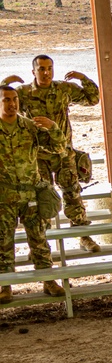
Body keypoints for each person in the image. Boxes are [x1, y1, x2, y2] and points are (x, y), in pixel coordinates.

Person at [4, 56, 101, 254]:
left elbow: (93, 99)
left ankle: (83, 235)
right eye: (41, 69)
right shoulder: (22, 93)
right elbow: (2, 103)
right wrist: (5, 83)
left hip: (64, 153)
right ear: (34, 72)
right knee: (42, 201)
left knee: (73, 194)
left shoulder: (63, 90)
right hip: (38, 157)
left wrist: (83, 78)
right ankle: (41, 246)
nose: (46, 73)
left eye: (49, 68)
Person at [0, 85, 66, 304]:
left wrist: (53, 128)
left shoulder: (29, 127)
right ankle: (5, 285)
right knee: (3, 243)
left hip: (31, 195)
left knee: (39, 240)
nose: (11, 104)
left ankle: (48, 281)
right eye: (5, 100)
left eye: (14, 99)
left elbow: (58, 149)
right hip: (4, 198)